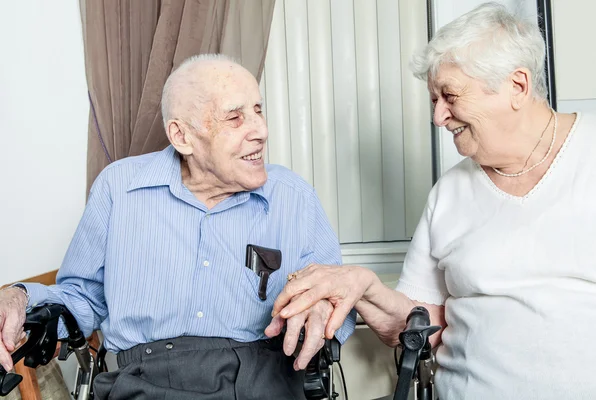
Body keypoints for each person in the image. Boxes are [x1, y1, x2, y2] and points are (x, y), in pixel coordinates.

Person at [267, 3, 596, 399]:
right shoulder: (450, 192)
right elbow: (420, 326)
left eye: (450, 96)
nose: (438, 116)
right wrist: (365, 286)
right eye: (433, 99)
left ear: (517, 86)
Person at [0, 54, 355, 399]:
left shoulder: (294, 197)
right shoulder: (119, 188)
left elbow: (338, 296)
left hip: (262, 380)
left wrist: (325, 310)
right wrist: (20, 296)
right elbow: (83, 298)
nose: (261, 131)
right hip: (143, 381)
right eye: (234, 117)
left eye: (258, 111)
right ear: (181, 136)